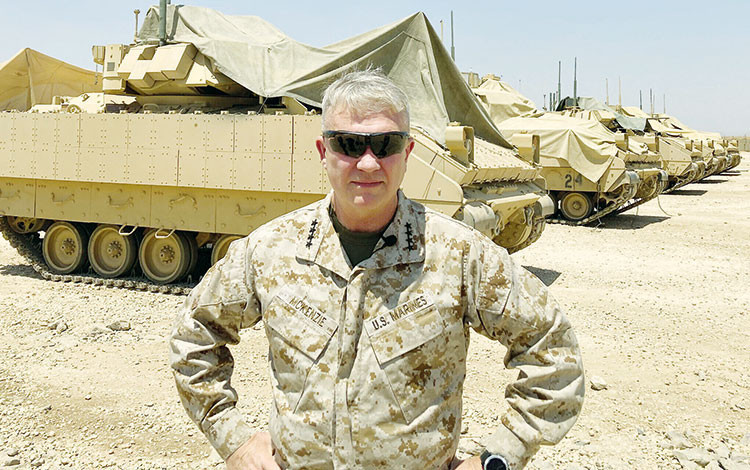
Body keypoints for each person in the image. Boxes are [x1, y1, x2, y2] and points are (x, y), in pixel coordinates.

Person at [170, 70, 584, 470]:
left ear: (407, 154)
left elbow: (553, 349)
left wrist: (500, 458)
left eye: (385, 145)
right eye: (349, 144)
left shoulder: (458, 254)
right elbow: (195, 334)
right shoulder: (271, 249)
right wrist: (233, 440)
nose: (368, 164)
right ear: (323, 152)